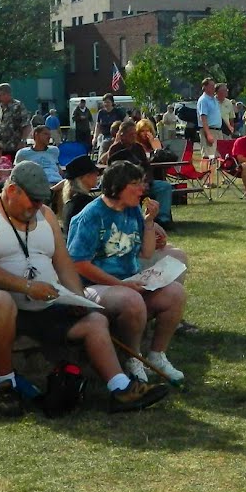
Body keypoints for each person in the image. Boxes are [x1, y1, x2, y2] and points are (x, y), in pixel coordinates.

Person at [0, 160, 166, 415]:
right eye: (32, 200)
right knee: (1, 302)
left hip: (37, 304)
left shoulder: (44, 215)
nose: (36, 207)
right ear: (12, 190)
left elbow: (64, 263)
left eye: (41, 201)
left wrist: (77, 299)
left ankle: (120, 388)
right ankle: (4, 386)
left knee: (95, 321)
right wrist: (27, 287)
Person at [67, 161, 188, 384]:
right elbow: (78, 264)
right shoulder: (91, 216)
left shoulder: (132, 211)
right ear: (117, 186)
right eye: (135, 184)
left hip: (128, 281)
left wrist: (149, 222)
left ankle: (157, 355)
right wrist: (119, 284)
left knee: (175, 293)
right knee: (131, 299)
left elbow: (147, 252)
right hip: (94, 288)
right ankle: (134, 359)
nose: (142, 189)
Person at [99, 119, 175, 225]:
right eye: (131, 134)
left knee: (164, 186)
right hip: (125, 186)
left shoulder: (138, 148)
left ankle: (162, 219)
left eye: (135, 134)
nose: (134, 136)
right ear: (122, 135)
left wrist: (146, 182)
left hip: (143, 182)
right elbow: (113, 173)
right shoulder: (115, 149)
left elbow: (146, 167)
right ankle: (135, 219)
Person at [58, 154, 103, 231]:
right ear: (84, 177)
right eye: (94, 172)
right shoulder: (84, 202)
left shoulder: (71, 200)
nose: (97, 174)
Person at [0, 83, 32, 152]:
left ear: (7, 94)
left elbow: (26, 125)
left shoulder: (18, 106)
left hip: (15, 147)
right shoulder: (0, 108)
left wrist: (22, 141)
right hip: (1, 148)